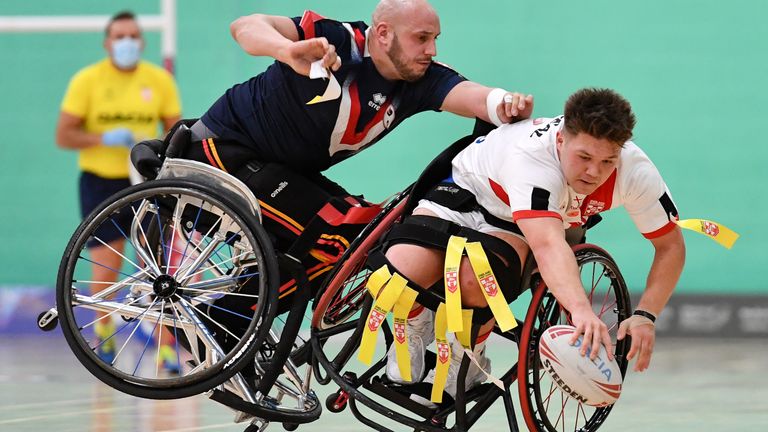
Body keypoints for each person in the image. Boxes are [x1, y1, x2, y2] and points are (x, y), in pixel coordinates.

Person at [167, 0, 533, 304]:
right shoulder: (335, 39)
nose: (431, 50)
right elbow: (245, 25)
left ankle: (237, 321)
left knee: (364, 239)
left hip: (280, 172)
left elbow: (476, 97)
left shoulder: (420, 78)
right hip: (219, 151)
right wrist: (287, 50)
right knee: (339, 237)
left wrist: (505, 102)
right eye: (421, 38)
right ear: (384, 32)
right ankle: (226, 324)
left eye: (435, 39)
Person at [380, 88, 686, 403]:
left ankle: (468, 357)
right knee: (397, 271)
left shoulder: (636, 173)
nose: (594, 171)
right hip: (468, 190)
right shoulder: (533, 159)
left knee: (474, 282)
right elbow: (549, 245)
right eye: (584, 157)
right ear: (561, 140)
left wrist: (647, 315)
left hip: (518, 225)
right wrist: (581, 311)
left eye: (607, 160)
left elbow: (670, 246)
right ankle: (415, 329)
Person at [55, 10, 182, 366]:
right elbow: (64, 134)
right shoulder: (88, 81)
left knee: (158, 268)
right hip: (102, 182)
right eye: (119, 36)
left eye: (132, 36)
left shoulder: (158, 80)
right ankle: (103, 331)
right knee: (107, 267)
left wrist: (155, 145)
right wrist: (102, 137)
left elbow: (177, 131)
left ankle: (166, 345)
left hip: (144, 182)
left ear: (141, 41)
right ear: (107, 42)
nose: (126, 42)